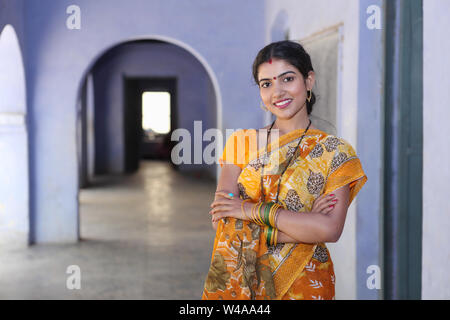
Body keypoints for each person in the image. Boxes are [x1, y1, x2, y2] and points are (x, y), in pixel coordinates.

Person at [202, 40, 367, 300]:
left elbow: (330, 230)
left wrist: (248, 210)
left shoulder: (335, 152)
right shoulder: (241, 143)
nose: (277, 92)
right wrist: (303, 226)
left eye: (287, 79)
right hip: (245, 280)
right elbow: (222, 219)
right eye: (266, 84)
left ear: (309, 81)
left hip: (308, 282)